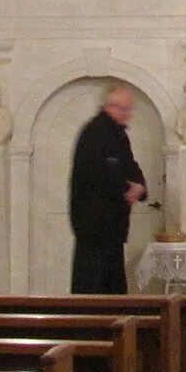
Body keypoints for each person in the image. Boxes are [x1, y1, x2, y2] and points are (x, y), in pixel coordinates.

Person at [69, 83, 147, 294]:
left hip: (112, 230)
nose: (127, 114)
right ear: (109, 106)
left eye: (129, 109)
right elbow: (98, 174)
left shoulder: (119, 135)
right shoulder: (94, 133)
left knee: (113, 288)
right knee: (93, 287)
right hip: (94, 227)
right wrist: (126, 188)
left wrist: (140, 187)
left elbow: (131, 166)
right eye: (123, 109)